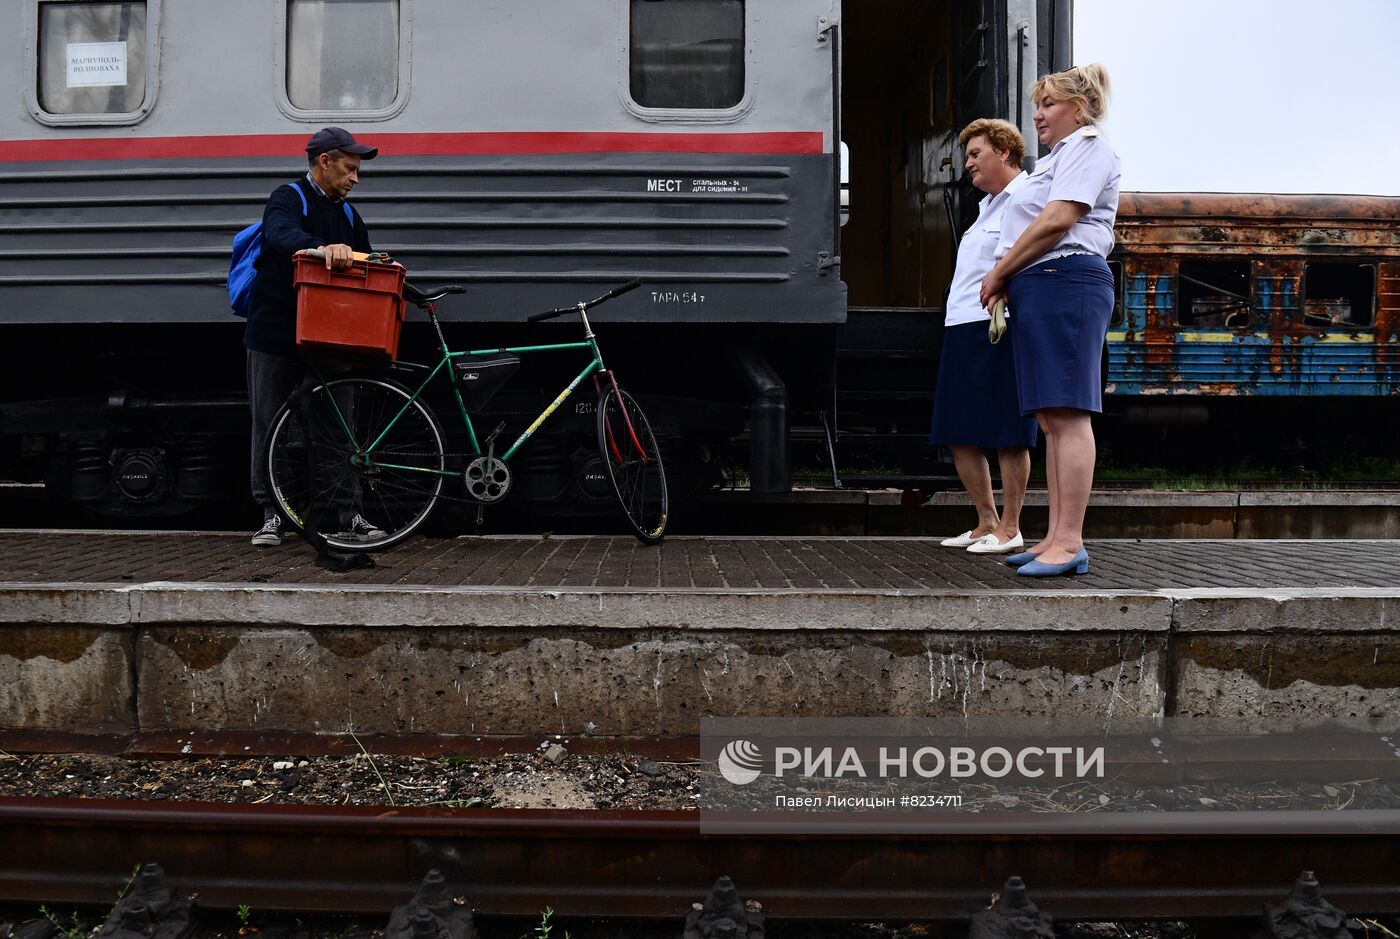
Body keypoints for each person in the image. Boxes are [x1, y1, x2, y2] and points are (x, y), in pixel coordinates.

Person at [978, 64, 1120, 577]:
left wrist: (999, 272)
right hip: (1043, 285)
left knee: (1067, 414)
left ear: (1078, 109)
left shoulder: (1088, 147)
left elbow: (1059, 220)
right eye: (1038, 105)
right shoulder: (1057, 159)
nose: (1037, 115)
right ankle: (1056, 537)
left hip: (1067, 280)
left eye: (1048, 105)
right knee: (1049, 418)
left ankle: (1070, 541)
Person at [246, 127, 382, 546]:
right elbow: (280, 235)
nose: (355, 178)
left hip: (329, 333)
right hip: (276, 330)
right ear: (325, 162)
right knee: (268, 423)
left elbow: (364, 260)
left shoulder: (347, 215)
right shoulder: (289, 198)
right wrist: (322, 249)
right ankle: (271, 514)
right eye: (350, 168)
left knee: (338, 426)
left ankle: (349, 513)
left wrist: (380, 264)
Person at [932, 119, 1037, 555]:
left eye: (976, 154)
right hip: (960, 325)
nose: (968, 163)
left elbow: (1034, 257)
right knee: (958, 429)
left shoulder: (1027, 199)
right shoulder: (986, 208)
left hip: (1000, 325)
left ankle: (1012, 528)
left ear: (1006, 153)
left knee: (1008, 429)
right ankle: (985, 522)